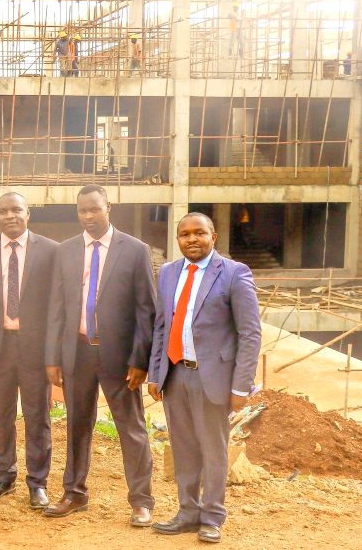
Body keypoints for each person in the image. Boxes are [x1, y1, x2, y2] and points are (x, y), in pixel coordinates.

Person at [44, 184, 156, 527]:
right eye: (82, 211)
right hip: (76, 352)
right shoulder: (65, 251)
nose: (89, 216)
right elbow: (57, 307)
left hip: (119, 357)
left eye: (95, 209)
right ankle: (74, 493)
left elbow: (146, 310)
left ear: (109, 207)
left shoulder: (135, 250)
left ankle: (141, 501)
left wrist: (140, 360)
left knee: (131, 427)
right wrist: (53, 357)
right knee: (77, 425)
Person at [148, 213, 262, 544]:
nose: (192, 239)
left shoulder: (234, 273)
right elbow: (161, 326)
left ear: (214, 236)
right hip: (175, 374)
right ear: (178, 239)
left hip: (213, 379)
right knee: (183, 448)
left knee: (213, 450)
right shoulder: (168, 272)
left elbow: (250, 334)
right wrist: (156, 372)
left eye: (200, 233)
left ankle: (212, 517)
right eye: (185, 234)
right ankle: (187, 512)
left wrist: (240, 386)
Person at [0, 192, 57, 509]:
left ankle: (38, 482)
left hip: (35, 348)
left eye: (16, 210)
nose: (10, 216)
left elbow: (57, 306)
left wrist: (53, 353)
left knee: (38, 417)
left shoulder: (50, 251)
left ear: (28, 213)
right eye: (3, 211)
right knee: (1, 415)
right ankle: (4, 474)